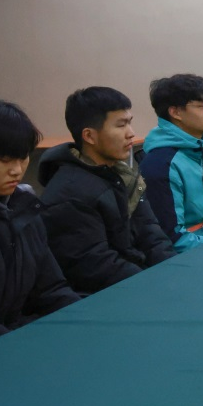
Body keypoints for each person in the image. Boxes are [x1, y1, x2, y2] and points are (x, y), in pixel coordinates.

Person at [0, 100, 79, 354]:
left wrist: (84, 325)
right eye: (4, 160)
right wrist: (26, 353)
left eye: (23, 158)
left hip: (11, 337)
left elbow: (52, 290)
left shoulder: (23, 207)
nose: (17, 170)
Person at [39, 87, 176, 293]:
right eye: (121, 125)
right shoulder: (69, 194)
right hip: (107, 296)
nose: (131, 133)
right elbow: (96, 266)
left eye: (129, 122)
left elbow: (151, 233)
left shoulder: (122, 175)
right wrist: (155, 285)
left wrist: (174, 272)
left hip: (139, 282)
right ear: (89, 136)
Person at [141, 74, 203, 251]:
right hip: (195, 254)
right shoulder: (162, 164)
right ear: (175, 112)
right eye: (202, 106)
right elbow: (174, 238)